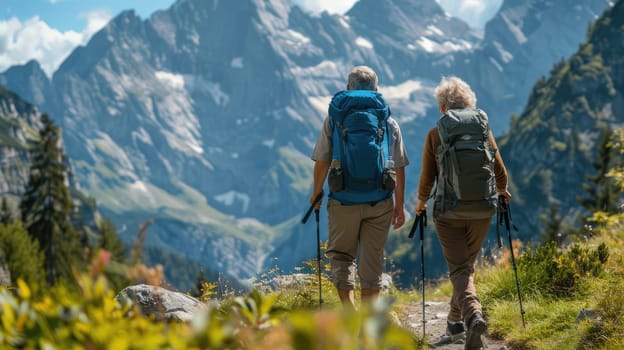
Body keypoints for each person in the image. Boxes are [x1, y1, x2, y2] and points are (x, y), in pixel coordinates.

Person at [414, 76, 511, 349]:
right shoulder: (483, 130)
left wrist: (421, 204)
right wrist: (502, 191)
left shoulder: (436, 134)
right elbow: (499, 172)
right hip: (482, 209)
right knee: (466, 267)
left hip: (449, 213)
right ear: (469, 103)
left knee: (459, 268)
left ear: (443, 107)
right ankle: (455, 322)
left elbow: (427, 179)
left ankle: (473, 316)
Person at [309, 65, 409, 309]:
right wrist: (399, 205)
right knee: (372, 261)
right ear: (376, 89)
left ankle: (350, 312)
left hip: (343, 199)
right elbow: (399, 166)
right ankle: (367, 323)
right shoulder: (388, 121)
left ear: (347, 88)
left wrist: (316, 193)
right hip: (380, 200)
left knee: (342, 257)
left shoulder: (334, 119)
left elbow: (322, 161)